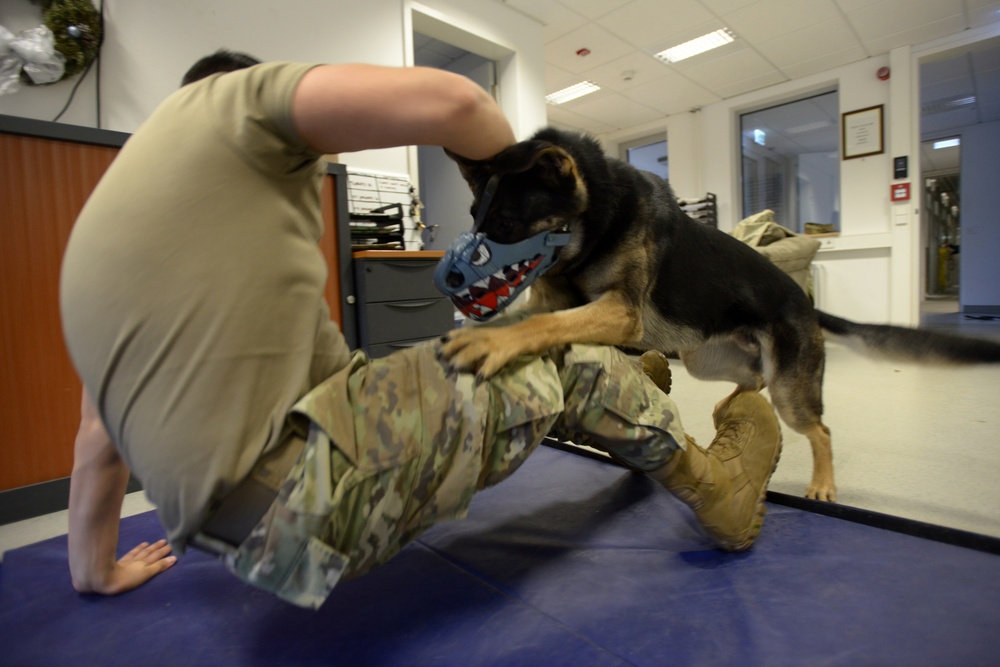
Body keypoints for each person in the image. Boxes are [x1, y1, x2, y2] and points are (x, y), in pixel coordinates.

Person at [61, 50, 783, 609]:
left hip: (250, 545)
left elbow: (96, 442)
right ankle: (721, 491)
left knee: (484, 343)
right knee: (551, 352)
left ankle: (626, 401)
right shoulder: (226, 102)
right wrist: (511, 206)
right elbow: (456, 100)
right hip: (316, 501)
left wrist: (95, 571)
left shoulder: (109, 232)